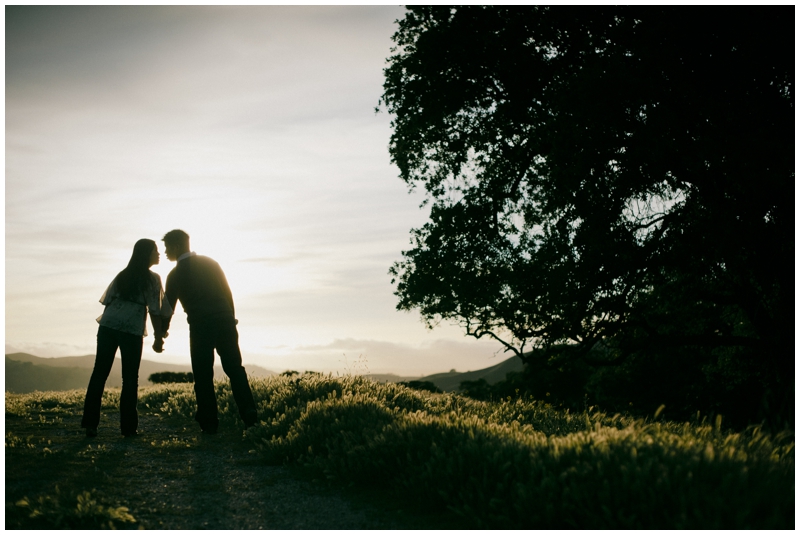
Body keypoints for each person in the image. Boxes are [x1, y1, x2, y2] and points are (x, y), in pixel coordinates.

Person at [159, 229, 258, 434]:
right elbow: (227, 292)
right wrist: (231, 317)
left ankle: (209, 422)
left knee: (203, 375)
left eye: (167, 247)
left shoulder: (175, 274)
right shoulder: (211, 263)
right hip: (225, 321)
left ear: (176, 246)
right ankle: (249, 412)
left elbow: (168, 308)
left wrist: (161, 334)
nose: (166, 252)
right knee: (235, 369)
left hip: (200, 326)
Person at [81, 239, 173, 438]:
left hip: (108, 326)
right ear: (146, 254)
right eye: (155, 251)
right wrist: (158, 338)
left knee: (99, 373)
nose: (158, 254)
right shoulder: (153, 279)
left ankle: (90, 424)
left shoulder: (123, 275)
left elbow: (108, 301)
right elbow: (156, 311)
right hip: (131, 329)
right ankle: (128, 428)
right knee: (130, 378)